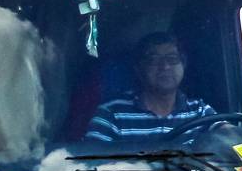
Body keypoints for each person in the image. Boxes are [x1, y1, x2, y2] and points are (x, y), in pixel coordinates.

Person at [83, 32, 216, 144]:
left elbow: (229, 137)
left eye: (172, 58)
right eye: (154, 60)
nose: (165, 66)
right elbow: (93, 165)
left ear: (183, 65)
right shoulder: (112, 113)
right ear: (139, 68)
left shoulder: (200, 111)